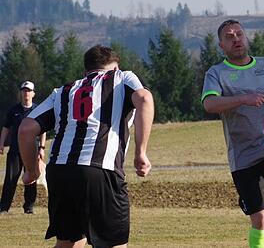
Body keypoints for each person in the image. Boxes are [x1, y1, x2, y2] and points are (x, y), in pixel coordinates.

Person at [17, 45, 154, 247]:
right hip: (100, 169)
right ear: (115, 68)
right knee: (112, 243)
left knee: (69, 242)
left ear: (85, 72)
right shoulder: (122, 78)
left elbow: (25, 129)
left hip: (60, 172)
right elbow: (144, 98)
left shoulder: (63, 91)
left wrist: (30, 171)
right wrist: (141, 152)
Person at [202, 19, 264, 248]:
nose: (236, 39)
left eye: (239, 34)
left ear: (246, 38)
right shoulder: (216, 72)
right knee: (260, 218)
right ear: (221, 46)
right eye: (229, 36)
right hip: (244, 156)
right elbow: (209, 104)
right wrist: (243, 99)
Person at [0, 81, 45, 214]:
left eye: (28, 91)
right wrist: (1, 143)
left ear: (33, 93)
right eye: (24, 90)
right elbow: (6, 128)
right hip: (15, 149)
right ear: (21, 93)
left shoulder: (37, 110)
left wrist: (42, 148)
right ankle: (4, 207)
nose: (26, 93)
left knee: (31, 178)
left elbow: (43, 130)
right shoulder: (14, 110)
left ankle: (29, 207)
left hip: (32, 150)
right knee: (10, 178)